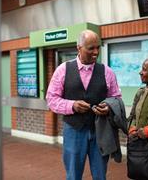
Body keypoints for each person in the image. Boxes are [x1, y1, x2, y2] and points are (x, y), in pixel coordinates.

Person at [46, 30, 121, 180]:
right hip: (74, 130)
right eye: (91, 48)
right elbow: (51, 99)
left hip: (100, 130)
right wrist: (72, 106)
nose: (96, 52)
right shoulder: (63, 70)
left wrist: (108, 107)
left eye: (98, 48)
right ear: (78, 48)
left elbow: (116, 98)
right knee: (73, 175)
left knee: (100, 175)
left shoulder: (107, 72)